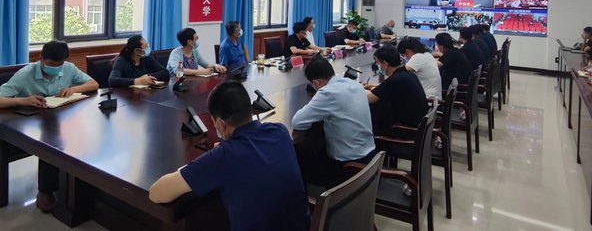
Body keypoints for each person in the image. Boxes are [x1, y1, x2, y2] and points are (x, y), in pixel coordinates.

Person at [149, 82, 310, 231]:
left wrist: (204, 162)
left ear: (220, 123)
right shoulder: (279, 131)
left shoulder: (224, 157)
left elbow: (156, 193)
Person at [0, 40, 99, 213]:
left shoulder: (68, 68)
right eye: (52, 64)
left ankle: (79, 185)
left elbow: (93, 84)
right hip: (28, 122)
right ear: (41, 59)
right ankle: (46, 191)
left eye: (60, 64)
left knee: (77, 138)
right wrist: (23, 100)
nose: (56, 68)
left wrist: (73, 89)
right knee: (50, 143)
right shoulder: (25, 74)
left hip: (57, 118)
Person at [292, 58, 375, 188]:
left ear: (315, 83)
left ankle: (308, 198)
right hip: (370, 157)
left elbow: (297, 121)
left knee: (297, 162)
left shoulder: (328, 92)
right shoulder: (355, 84)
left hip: (347, 166)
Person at [363, 46, 428, 133]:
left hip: (405, 130)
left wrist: (358, 88)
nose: (378, 66)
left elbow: (367, 99)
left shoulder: (395, 80)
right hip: (417, 125)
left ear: (385, 64)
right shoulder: (407, 74)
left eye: (378, 63)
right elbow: (385, 90)